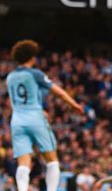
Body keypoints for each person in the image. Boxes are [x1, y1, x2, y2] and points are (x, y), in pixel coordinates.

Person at [6, 40, 85, 191]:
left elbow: (16, 102)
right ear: (32, 57)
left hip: (17, 120)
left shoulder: (10, 77)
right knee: (52, 160)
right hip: (35, 118)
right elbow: (59, 92)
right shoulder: (35, 74)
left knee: (23, 162)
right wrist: (74, 105)